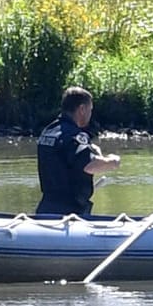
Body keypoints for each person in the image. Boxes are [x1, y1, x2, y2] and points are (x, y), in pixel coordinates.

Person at [36, 86, 120, 216]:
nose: (90, 114)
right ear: (82, 109)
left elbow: (65, 159)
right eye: (90, 110)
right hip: (69, 213)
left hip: (46, 209)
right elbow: (89, 166)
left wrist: (92, 151)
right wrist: (112, 161)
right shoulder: (75, 136)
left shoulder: (48, 131)